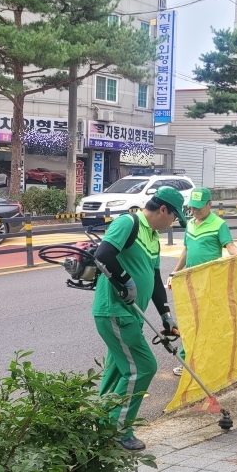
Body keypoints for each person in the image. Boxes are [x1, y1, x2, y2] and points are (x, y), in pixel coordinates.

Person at [93, 186, 187, 451]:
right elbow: (103, 255)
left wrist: (166, 315)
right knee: (143, 367)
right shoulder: (129, 222)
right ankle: (119, 430)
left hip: (131, 315)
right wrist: (125, 282)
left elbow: (155, 279)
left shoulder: (153, 237)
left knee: (118, 371)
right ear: (163, 210)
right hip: (115, 311)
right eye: (174, 217)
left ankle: (101, 425)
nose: (173, 223)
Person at [167, 187, 237, 375]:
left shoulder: (219, 224)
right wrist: (174, 273)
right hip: (190, 281)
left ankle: (211, 360)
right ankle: (189, 361)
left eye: (199, 207)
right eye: (192, 207)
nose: (195, 211)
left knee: (209, 322)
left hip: (211, 282)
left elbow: (230, 246)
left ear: (210, 204)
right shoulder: (191, 224)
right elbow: (186, 251)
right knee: (189, 322)